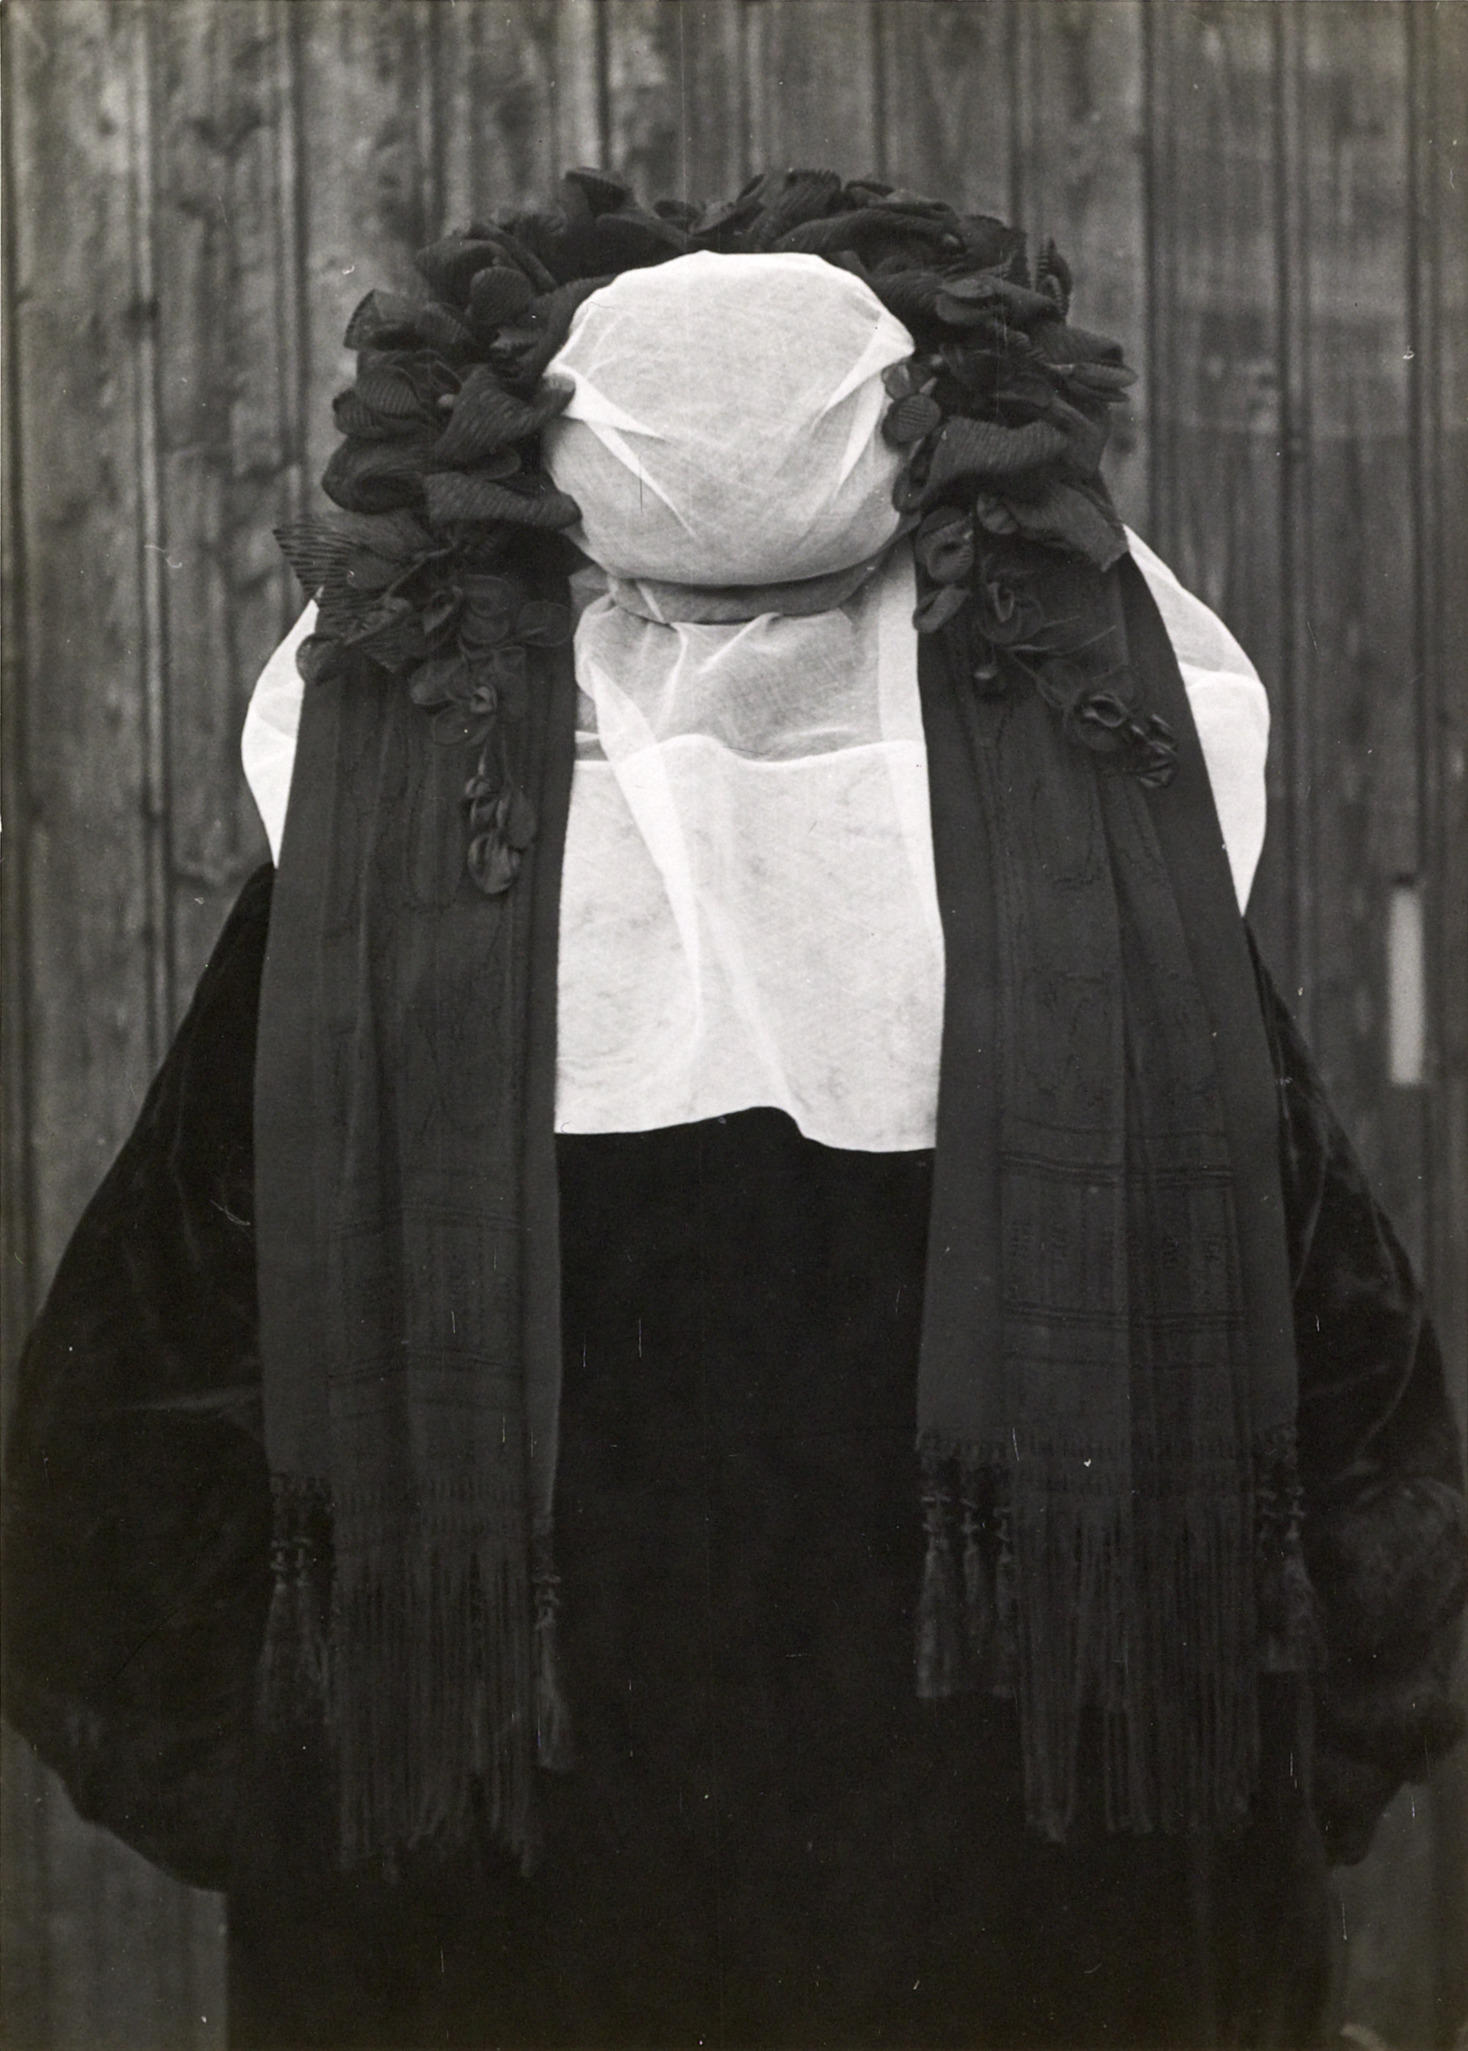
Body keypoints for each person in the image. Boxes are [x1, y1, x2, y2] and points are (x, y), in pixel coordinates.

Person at [6, 169, 1464, 2051]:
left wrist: (331, 1823)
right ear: (923, 491)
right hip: (1052, 1935)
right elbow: (1379, 1483)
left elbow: (108, 1512)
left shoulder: (366, 901)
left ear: (562, 504)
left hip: (490, 1939)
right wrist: (1220, 1825)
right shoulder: (1116, 888)